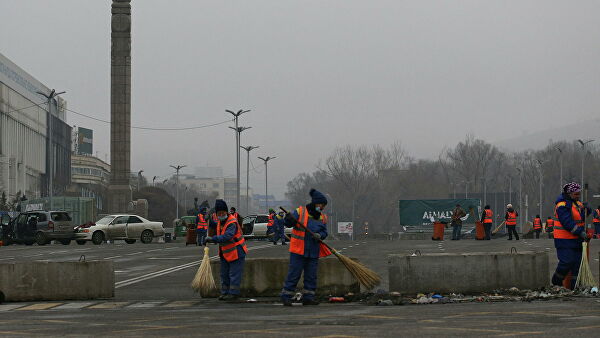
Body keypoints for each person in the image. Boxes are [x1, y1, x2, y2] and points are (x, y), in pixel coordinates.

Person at [281, 189, 330, 306]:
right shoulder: (300, 212)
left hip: (313, 251)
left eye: (323, 206)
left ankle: (309, 297)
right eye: (321, 205)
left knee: (311, 275)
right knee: (294, 274)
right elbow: (288, 223)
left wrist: (320, 235)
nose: (322, 207)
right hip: (299, 250)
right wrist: (289, 219)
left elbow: (324, 232)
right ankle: (286, 295)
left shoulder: (323, 217)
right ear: (315, 203)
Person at [205, 199, 248, 301]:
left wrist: (213, 239)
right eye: (219, 213)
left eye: (222, 213)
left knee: (234, 274)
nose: (221, 215)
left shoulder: (232, 222)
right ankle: (225, 292)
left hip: (237, 251)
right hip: (226, 253)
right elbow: (217, 230)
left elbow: (227, 236)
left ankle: (233, 293)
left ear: (226, 212)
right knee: (224, 274)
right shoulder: (220, 221)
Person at [551, 182, 591, 289]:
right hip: (564, 240)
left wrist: (587, 209)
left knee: (577, 265)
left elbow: (582, 218)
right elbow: (567, 222)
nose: (578, 196)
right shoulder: (562, 205)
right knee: (566, 262)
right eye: (576, 194)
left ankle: (575, 286)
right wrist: (580, 232)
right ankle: (556, 281)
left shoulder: (577, 203)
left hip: (577, 240)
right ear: (569, 193)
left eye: (579, 194)